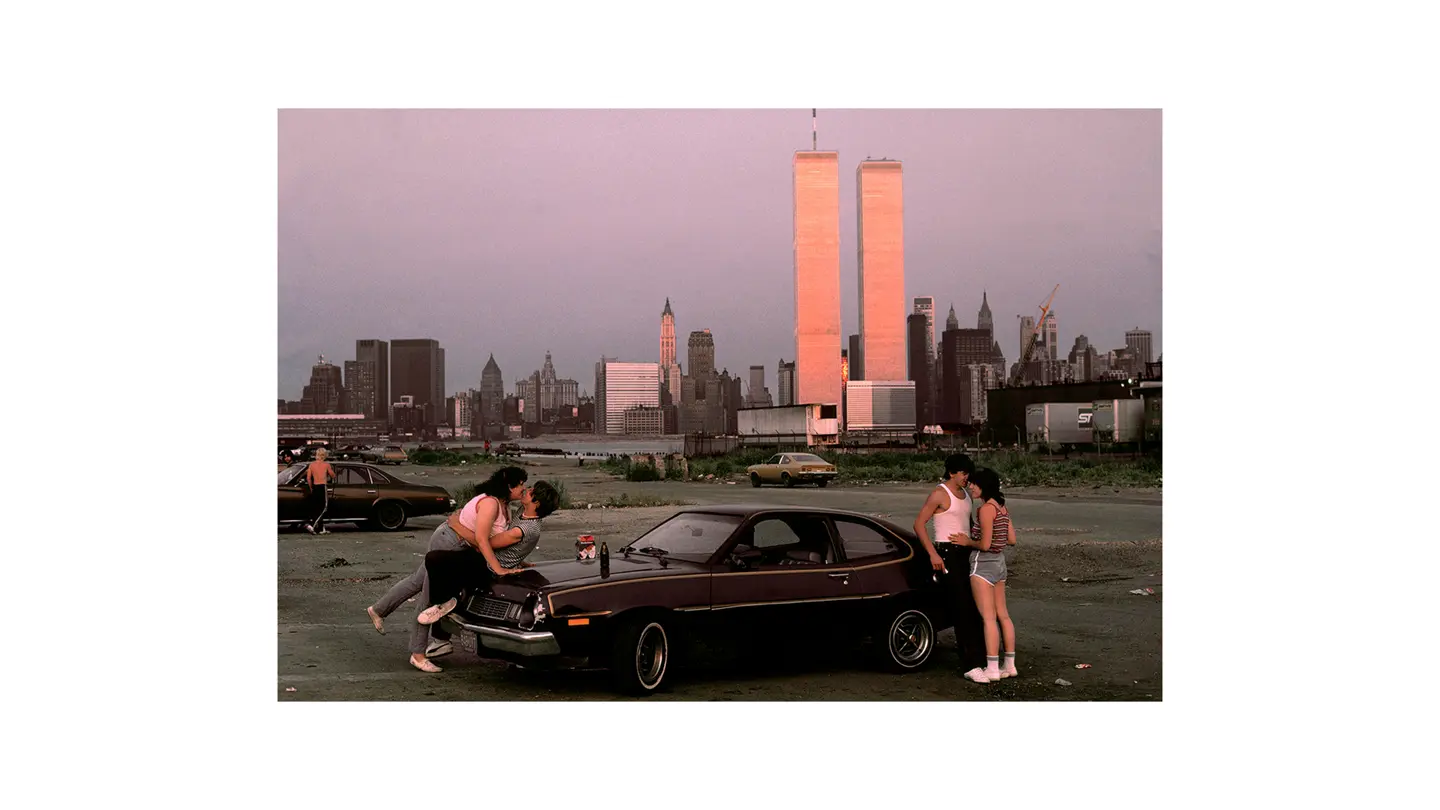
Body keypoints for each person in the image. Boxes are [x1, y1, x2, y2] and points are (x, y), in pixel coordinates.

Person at [365, 466, 528, 673]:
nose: (524, 488)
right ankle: (417, 654)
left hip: (454, 539)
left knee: (417, 581)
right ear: (509, 486)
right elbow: (481, 540)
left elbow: (489, 539)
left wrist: (519, 562)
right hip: (450, 542)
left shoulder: (504, 505)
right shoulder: (491, 503)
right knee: (429, 598)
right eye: (521, 484)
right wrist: (498, 569)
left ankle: (378, 610)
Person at [417, 481, 562, 627]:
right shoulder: (524, 513)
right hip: (488, 557)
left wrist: (456, 526)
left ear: (536, 503)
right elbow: (519, 546)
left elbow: (485, 543)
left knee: (434, 559)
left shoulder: (524, 529)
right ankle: (446, 614)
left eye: (531, 491)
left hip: (488, 566)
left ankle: (443, 604)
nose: (527, 489)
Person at [912, 453, 990, 684]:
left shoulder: (966, 494)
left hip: (966, 553)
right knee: (962, 608)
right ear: (952, 472)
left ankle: (982, 659)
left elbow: (968, 524)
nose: (966, 477)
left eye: (968, 473)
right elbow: (919, 524)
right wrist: (933, 554)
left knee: (975, 606)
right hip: (947, 554)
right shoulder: (940, 493)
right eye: (963, 473)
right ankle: (971, 665)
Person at [948, 467, 1019, 681]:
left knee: (988, 618)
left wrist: (967, 541)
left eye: (974, 484)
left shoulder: (986, 509)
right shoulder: (1002, 507)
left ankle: (992, 668)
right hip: (1000, 563)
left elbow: (985, 544)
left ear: (983, 486)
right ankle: (1010, 665)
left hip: (983, 565)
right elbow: (1012, 539)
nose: (971, 487)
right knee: (1003, 615)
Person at [303, 448, 336, 534]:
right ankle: (312, 526)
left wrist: (311, 487)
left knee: (316, 508)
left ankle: (321, 528)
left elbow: (308, 478)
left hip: (315, 487)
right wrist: (332, 472)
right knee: (324, 507)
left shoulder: (311, 465)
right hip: (322, 486)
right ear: (324, 456)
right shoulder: (326, 465)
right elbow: (333, 476)